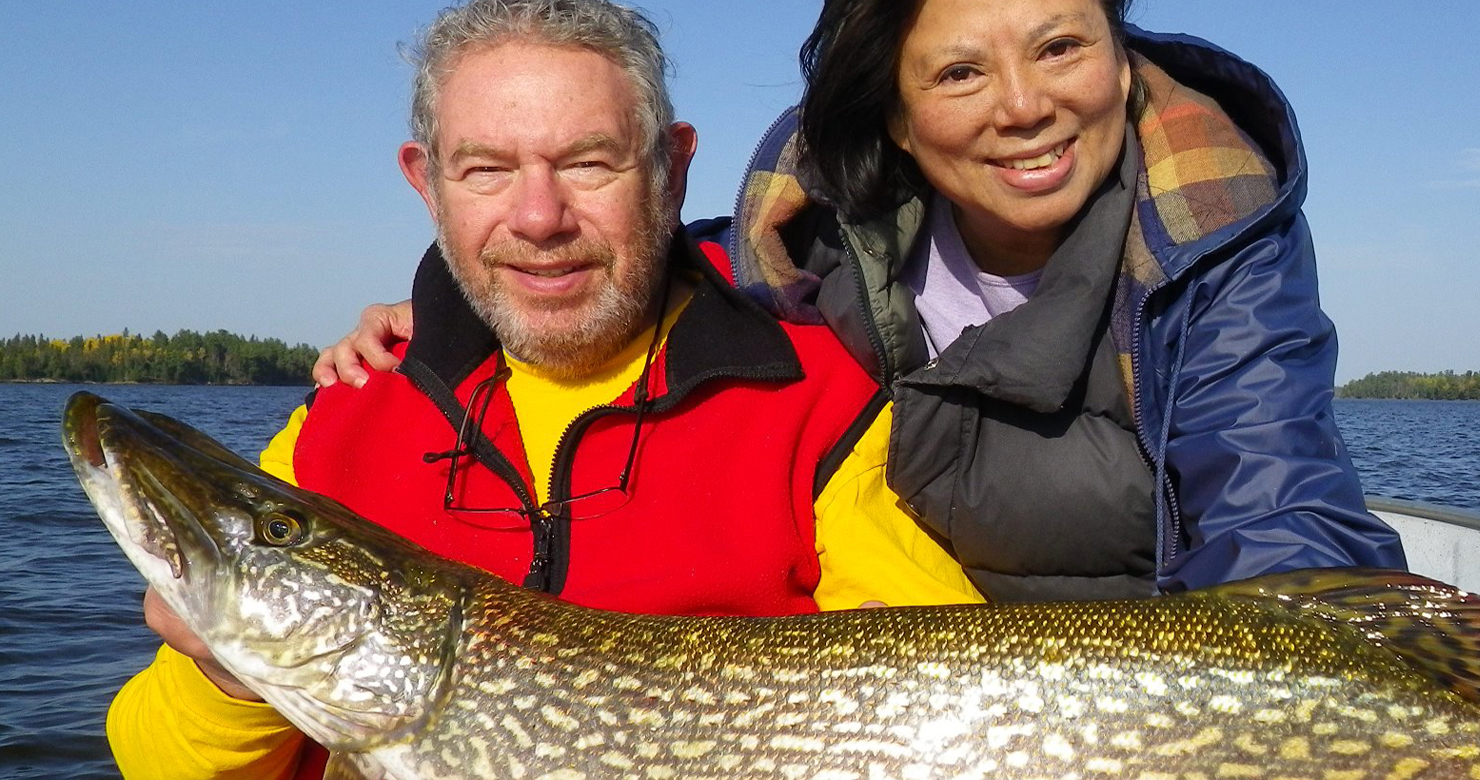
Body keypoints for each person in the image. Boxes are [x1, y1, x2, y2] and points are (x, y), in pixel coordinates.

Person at [107, 2, 979, 778]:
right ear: (428, 184)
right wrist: (230, 670)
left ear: (671, 169)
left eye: (589, 163)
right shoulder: (342, 418)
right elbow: (156, 761)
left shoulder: (823, 405)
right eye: (486, 169)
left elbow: (958, 703)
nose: (539, 219)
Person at [322, 0, 1408, 602]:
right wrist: (449, 320)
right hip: (915, 675)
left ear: (1121, 63)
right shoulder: (792, 249)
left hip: (1119, 692)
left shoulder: (1214, 239)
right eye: (960, 73)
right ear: (895, 116)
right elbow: (608, 257)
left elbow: (1278, 511)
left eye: (1062, 46)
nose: (1024, 106)